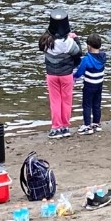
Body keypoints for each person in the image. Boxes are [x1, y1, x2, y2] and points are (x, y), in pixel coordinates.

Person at [40, 8, 81, 138]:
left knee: (55, 101)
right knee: (66, 100)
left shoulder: (46, 42)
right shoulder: (69, 42)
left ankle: (55, 128)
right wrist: (76, 38)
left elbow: (41, 44)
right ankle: (65, 127)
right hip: (66, 75)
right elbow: (78, 52)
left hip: (51, 74)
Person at [76, 35, 107, 135]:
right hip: (99, 84)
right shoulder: (103, 56)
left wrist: (73, 76)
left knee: (87, 105)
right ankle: (96, 124)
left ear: (89, 46)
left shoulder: (86, 59)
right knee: (97, 104)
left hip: (89, 85)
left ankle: (87, 125)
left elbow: (80, 72)